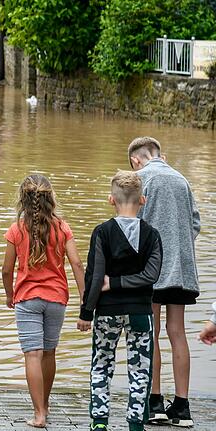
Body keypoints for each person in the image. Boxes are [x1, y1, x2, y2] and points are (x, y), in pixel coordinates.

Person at [77, 171, 162, 431]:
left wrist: (86, 312)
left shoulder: (102, 232)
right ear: (143, 200)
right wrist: (124, 282)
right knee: (140, 369)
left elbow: (95, 276)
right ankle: (136, 424)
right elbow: (152, 275)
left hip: (107, 311)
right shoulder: (152, 235)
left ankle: (99, 422)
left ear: (111, 200)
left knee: (101, 363)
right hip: (140, 312)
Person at [1, 174, 85, 429]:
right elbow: (77, 264)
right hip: (56, 298)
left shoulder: (17, 229)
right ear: (50, 198)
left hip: (27, 299)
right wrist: (85, 301)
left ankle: (38, 414)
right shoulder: (62, 228)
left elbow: (6, 269)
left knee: (32, 354)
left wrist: (9, 294)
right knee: (49, 352)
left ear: (23, 200)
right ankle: (45, 406)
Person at [128, 137, 198, 427]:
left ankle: (154, 402)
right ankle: (182, 407)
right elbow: (195, 224)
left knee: (151, 333)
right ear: (161, 155)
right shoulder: (182, 180)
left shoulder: (139, 179)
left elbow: (132, 225)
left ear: (135, 160)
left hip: (152, 271)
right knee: (177, 332)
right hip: (182, 269)